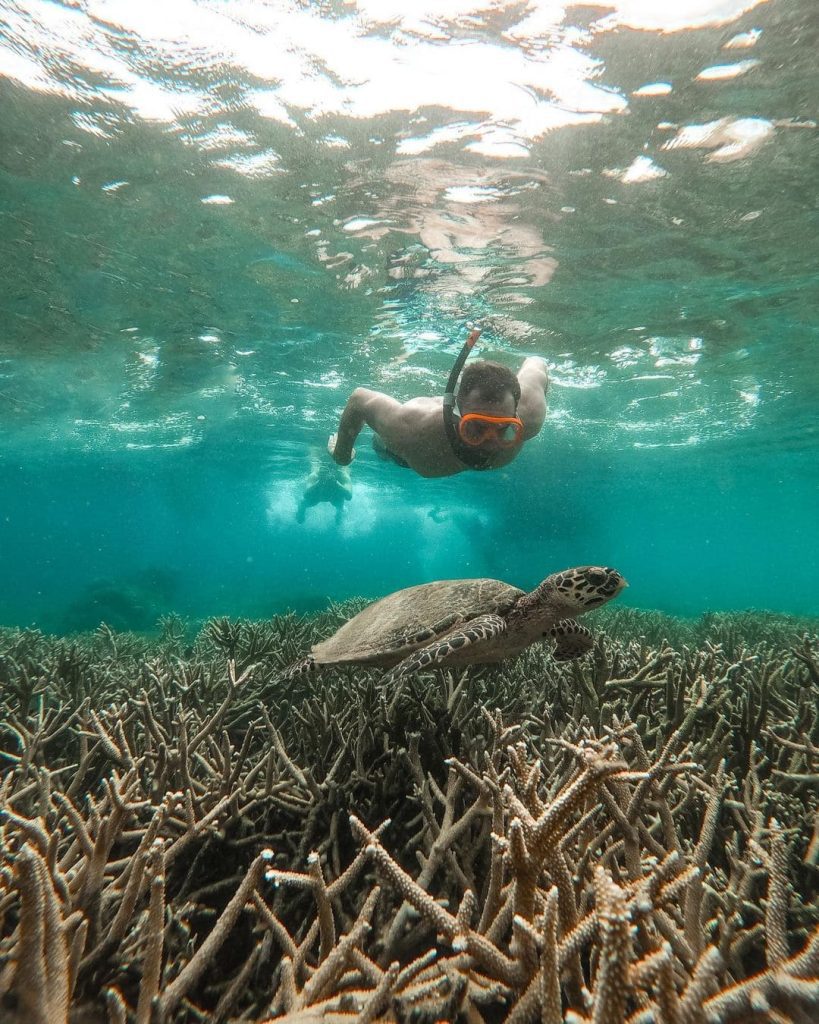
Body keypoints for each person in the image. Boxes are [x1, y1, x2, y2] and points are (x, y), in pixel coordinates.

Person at [328, 328, 548, 478]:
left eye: (504, 429)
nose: (490, 444)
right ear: (455, 412)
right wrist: (342, 455)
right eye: (476, 427)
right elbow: (359, 399)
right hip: (396, 453)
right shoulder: (411, 429)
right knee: (384, 449)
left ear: (516, 415)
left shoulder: (530, 414)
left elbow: (537, 362)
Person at [296, 451, 353, 525]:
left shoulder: (343, 476)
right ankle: (301, 513)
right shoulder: (315, 475)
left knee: (340, 506)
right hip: (317, 496)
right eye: (327, 468)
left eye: (332, 468)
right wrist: (319, 482)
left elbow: (349, 497)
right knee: (302, 503)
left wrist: (336, 483)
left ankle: (339, 516)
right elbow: (306, 495)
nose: (329, 471)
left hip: (334, 497)